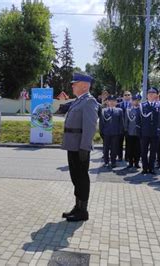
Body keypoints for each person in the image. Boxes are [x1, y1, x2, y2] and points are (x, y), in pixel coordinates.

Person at [61, 73, 98, 222]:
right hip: (72, 145)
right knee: (75, 177)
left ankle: (83, 211)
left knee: (81, 178)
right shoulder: (79, 101)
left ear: (84, 85)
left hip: (80, 147)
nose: (72, 85)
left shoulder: (89, 101)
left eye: (75, 83)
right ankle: (77, 207)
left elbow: (90, 127)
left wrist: (85, 147)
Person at [136, 87, 160, 175]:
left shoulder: (159, 106)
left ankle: (151, 168)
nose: (151, 95)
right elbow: (138, 120)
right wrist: (139, 132)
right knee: (144, 151)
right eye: (149, 93)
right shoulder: (142, 105)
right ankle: (145, 168)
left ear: (156, 95)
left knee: (153, 152)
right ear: (146, 95)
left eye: (153, 93)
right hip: (144, 133)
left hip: (155, 133)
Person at [99, 95, 124, 168]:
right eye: (110, 101)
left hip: (115, 133)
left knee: (114, 148)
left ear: (116, 102)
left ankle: (113, 162)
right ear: (107, 102)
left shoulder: (119, 110)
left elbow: (121, 123)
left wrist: (120, 132)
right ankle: (106, 162)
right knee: (106, 148)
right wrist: (101, 132)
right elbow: (101, 123)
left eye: (114, 101)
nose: (112, 102)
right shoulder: (104, 111)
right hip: (106, 133)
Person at [124, 94, 141, 169]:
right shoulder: (128, 110)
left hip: (138, 133)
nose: (136, 102)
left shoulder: (141, 110)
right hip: (130, 132)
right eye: (134, 100)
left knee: (138, 149)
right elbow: (126, 122)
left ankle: (137, 163)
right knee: (130, 148)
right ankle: (130, 162)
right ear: (132, 101)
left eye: (137, 100)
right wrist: (126, 131)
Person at [117, 91, 132, 161]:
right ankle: (120, 156)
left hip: (129, 127)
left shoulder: (133, 105)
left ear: (131, 96)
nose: (127, 96)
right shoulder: (118, 105)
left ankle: (127, 157)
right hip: (120, 127)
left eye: (128, 95)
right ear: (123, 97)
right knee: (119, 142)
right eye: (125, 95)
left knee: (128, 143)